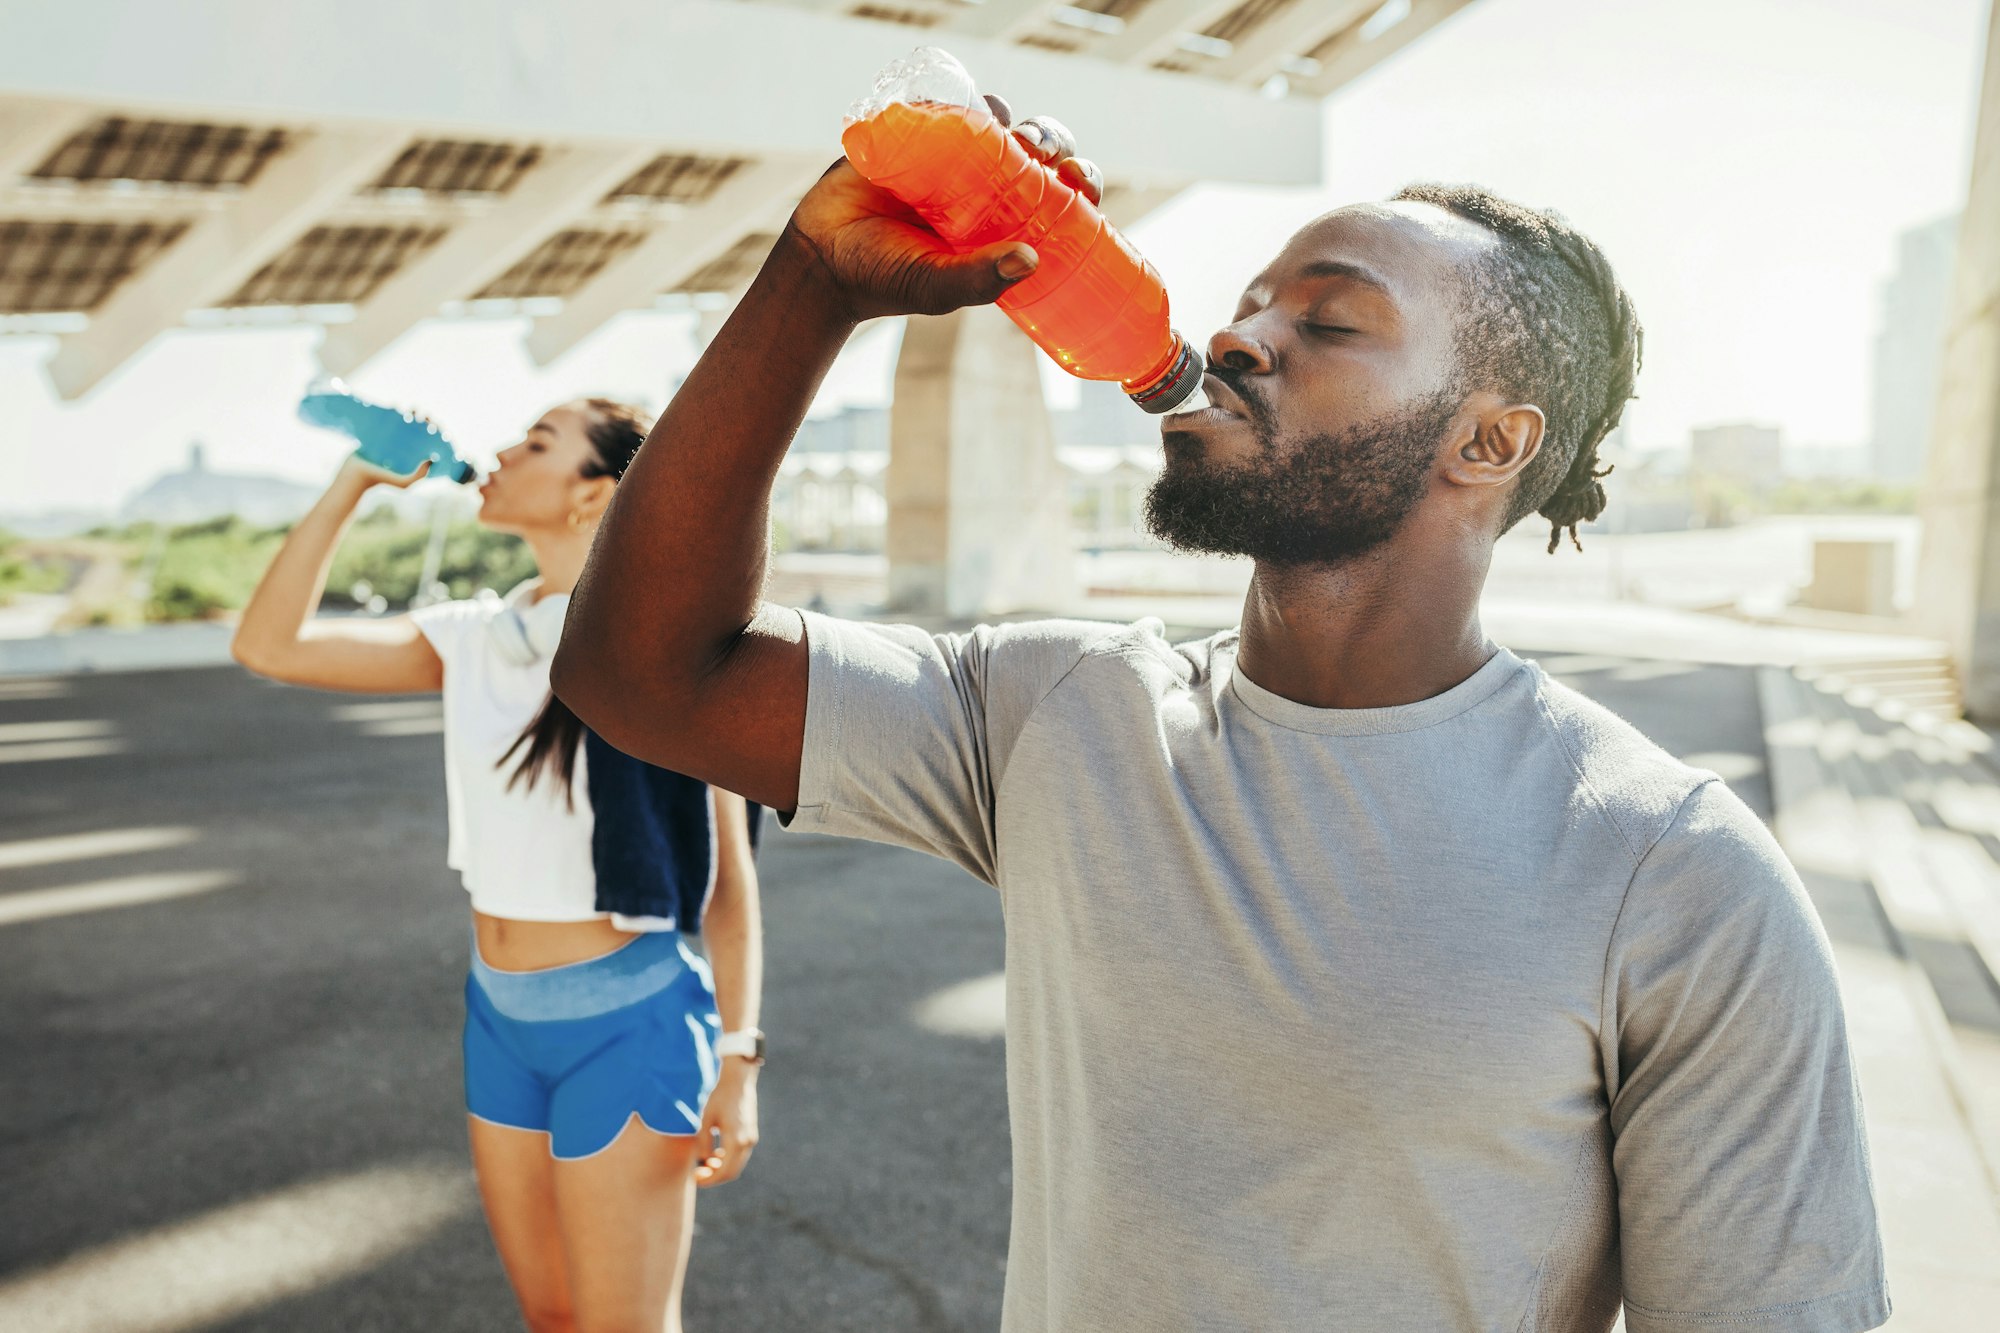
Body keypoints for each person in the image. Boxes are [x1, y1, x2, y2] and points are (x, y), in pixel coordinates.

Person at [551, 103, 1888, 1333]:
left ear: (1486, 444)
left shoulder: (1674, 874)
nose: (1241, 337)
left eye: (1333, 321)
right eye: (1251, 304)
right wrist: (815, 283)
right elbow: (644, 675)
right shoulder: (1058, 715)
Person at [232, 398, 764, 1333]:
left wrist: (739, 1055)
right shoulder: (473, 637)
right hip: (500, 1018)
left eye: (538, 443)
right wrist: (356, 478)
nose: (503, 452)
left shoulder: (663, 644)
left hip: (630, 1021)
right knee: (551, 1318)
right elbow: (267, 644)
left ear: (590, 494)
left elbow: (728, 879)